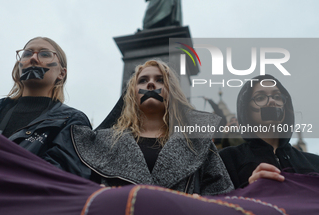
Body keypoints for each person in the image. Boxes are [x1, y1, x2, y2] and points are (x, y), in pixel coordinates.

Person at [45, 59, 234, 195]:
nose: (151, 83)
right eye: (143, 80)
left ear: (171, 93)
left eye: (160, 80)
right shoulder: (101, 141)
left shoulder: (197, 143)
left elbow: (223, 193)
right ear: (132, 94)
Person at [0, 37, 91, 158]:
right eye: (27, 54)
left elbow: (63, 172)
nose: (33, 58)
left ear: (61, 73)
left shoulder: (71, 121)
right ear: (19, 67)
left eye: (45, 54)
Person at [219, 74, 319, 189]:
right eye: (260, 98)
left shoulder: (314, 163)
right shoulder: (227, 160)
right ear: (246, 110)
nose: (272, 101)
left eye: (277, 96)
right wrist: (250, 189)